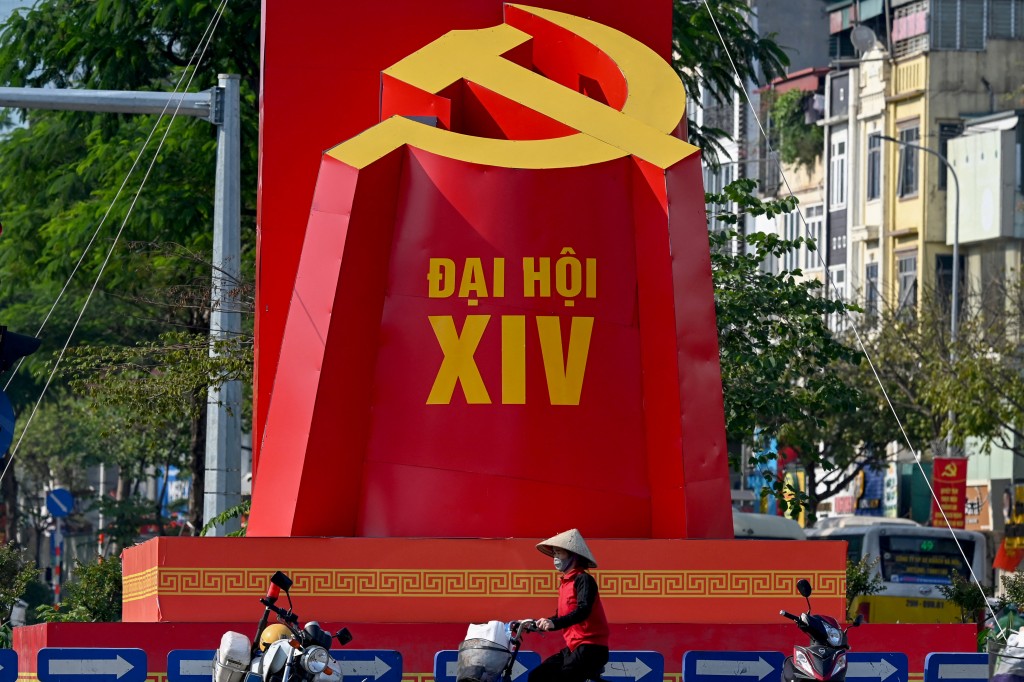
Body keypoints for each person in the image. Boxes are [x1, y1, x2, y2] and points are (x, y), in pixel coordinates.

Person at [528, 529, 609, 682]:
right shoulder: (565, 584)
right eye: (555, 554)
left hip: (591, 647)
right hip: (573, 648)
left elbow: (583, 610)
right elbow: (560, 617)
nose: (556, 558)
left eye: (559, 553)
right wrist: (536, 624)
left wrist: (554, 623)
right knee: (537, 676)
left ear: (573, 556)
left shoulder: (583, 579)